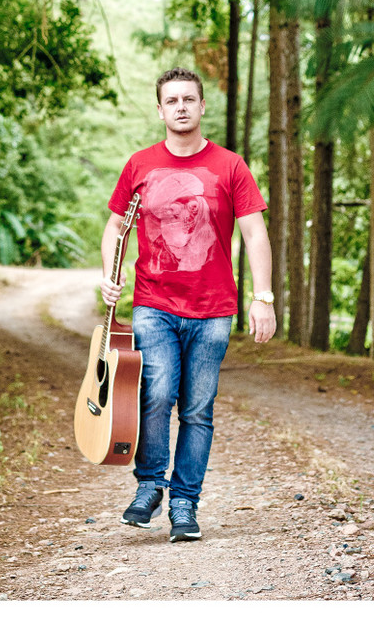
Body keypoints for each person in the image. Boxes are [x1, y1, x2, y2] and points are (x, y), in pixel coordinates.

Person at [101, 66, 276, 543]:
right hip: (153, 302)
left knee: (197, 409)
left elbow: (255, 232)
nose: (180, 106)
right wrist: (109, 276)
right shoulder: (139, 165)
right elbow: (115, 226)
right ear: (160, 110)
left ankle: (184, 503)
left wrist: (263, 298)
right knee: (155, 395)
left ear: (202, 107)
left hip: (214, 308)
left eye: (188, 99)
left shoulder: (230, 166)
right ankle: (150, 485)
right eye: (171, 100)